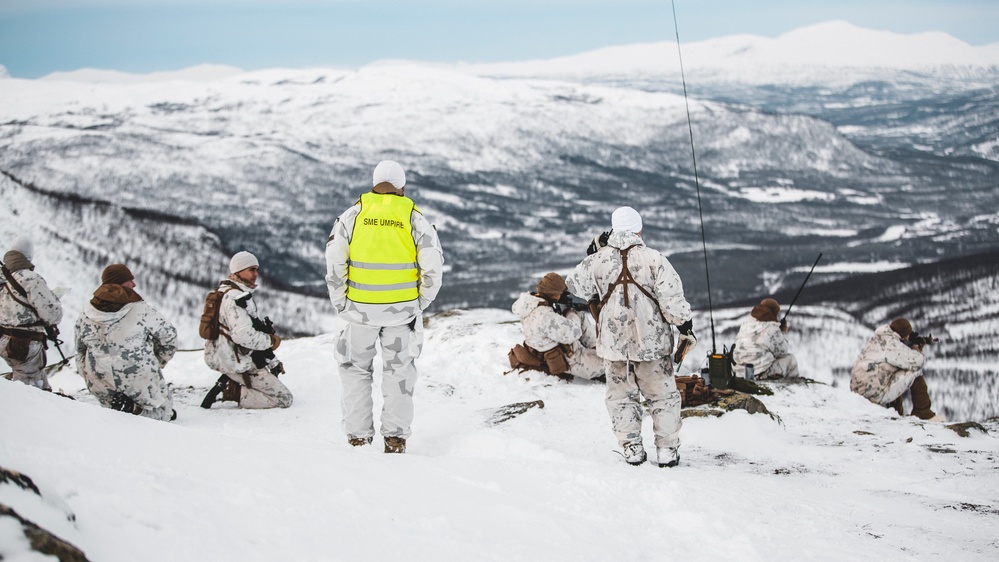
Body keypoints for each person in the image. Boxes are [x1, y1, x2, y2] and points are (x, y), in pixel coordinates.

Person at [325, 160, 444, 454]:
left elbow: (334, 264)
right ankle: (395, 439)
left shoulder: (351, 216)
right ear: (402, 186)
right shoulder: (415, 219)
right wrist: (419, 303)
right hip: (402, 314)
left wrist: (342, 303)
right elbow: (434, 268)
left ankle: (357, 439)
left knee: (354, 372)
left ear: (374, 183)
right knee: (399, 374)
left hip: (358, 312)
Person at [566, 206, 695, 467]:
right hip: (653, 345)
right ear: (638, 229)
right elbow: (673, 303)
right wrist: (685, 327)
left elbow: (575, 285)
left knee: (621, 397)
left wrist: (593, 254)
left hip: (613, 347)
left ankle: (632, 447)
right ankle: (667, 450)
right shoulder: (655, 259)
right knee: (663, 397)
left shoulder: (597, 261)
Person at [74, 264, 178, 421]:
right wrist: (156, 362)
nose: (134, 284)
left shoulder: (86, 310)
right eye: (130, 280)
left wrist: (87, 371)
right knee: (165, 413)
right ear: (120, 283)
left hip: (99, 380)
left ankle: (119, 407)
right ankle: (134, 409)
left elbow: (80, 348)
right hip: (136, 375)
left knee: (112, 414)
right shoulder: (139, 308)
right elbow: (169, 337)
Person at [201, 251, 293, 410]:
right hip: (235, 359)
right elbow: (243, 336)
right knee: (284, 398)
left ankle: (232, 381)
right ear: (238, 270)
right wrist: (271, 341)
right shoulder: (236, 298)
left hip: (222, 354)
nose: (256, 274)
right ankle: (232, 392)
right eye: (251, 269)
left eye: (257, 269)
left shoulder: (225, 291)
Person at [510, 272, 604, 381]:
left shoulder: (531, 303)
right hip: (569, 359)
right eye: (561, 293)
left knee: (579, 315)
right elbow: (573, 333)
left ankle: (595, 348)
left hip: (544, 348)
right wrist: (570, 313)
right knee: (613, 364)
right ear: (554, 294)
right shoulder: (545, 316)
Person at [1, 237, 64, 390]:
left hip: (4, 339)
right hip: (24, 344)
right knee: (30, 389)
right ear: (28, 257)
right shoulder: (30, 279)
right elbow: (52, 314)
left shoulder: (2, 278)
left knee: (39, 383)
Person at [850, 318, 941, 420]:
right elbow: (918, 362)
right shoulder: (893, 345)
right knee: (915, 371)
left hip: (857, 391)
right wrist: (916, 350)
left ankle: (896, 413)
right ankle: (924, 413)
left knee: (893, 371)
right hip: (873, 394)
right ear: (904, 334)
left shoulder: (879, 338)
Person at [732, 298, 799, 380]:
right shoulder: (772, 328)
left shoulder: (745, 324)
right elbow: (783, 352)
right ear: (774, 313)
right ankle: (792, 387)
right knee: (791, 360)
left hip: (740, 372)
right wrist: (783, 332)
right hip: (759, 374)